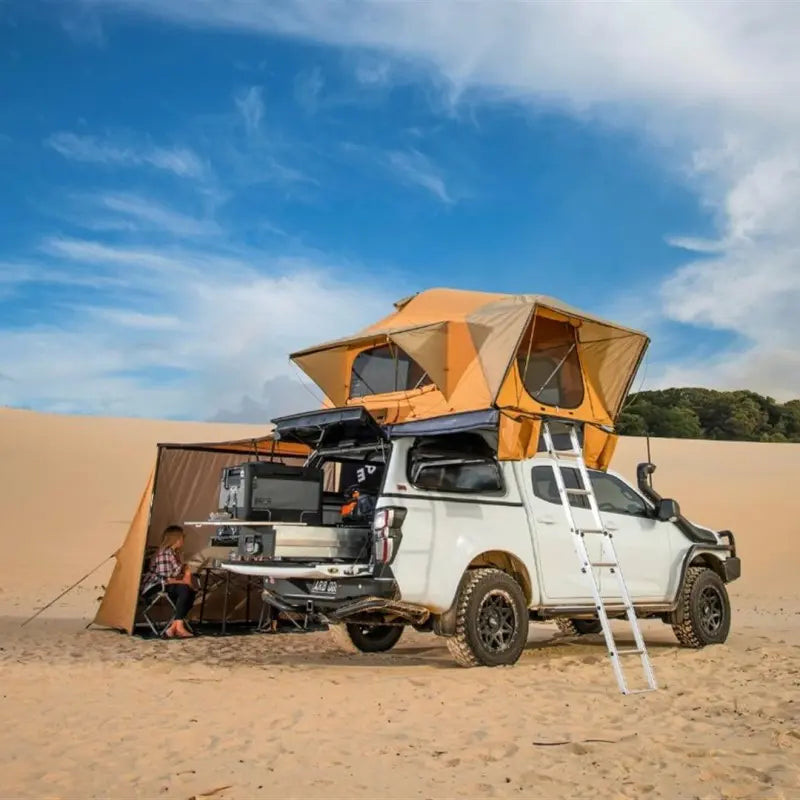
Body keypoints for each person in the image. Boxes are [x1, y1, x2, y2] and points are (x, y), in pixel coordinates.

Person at [141, 525, 197, 638]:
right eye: (182, 537)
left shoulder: (174, 553)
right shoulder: (164, 553)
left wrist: (185, 573)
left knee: (190, 591)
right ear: (176, 539)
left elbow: (174, 574)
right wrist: (185, 579)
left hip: (166, 584)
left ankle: (174, 627)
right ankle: (178, 626)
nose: (183, 540)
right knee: (185, 589)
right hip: (155, 585)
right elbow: (165, 578)